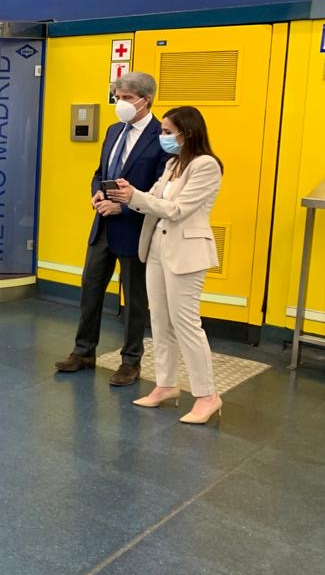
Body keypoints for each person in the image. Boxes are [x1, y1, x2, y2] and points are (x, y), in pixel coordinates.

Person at [107, 106, 224, 424]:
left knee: (186, 324)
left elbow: (177, 209)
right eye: (162, 131)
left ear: (187, 133)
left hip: (186, 252)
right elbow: (154, 198)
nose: (163, 137)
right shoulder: (173, 163)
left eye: (168, 132)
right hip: (157, 248)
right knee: (159, 321)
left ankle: (207, 395)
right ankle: (166, 384)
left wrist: (134, 197)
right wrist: (125, 194)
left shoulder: (206, 166)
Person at [55, 72, 171, 386]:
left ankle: (131, 362)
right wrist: (97, 193)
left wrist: (122, 206)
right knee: (90, 288)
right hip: (103, 226)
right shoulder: (112, 130)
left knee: (134, 300)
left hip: (134, 228)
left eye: (127, 98)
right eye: (117, 97)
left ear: (145, 100)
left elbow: (161, 189)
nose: (120, 103)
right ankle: (83, 352)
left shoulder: (161, 138)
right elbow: (100, 172)